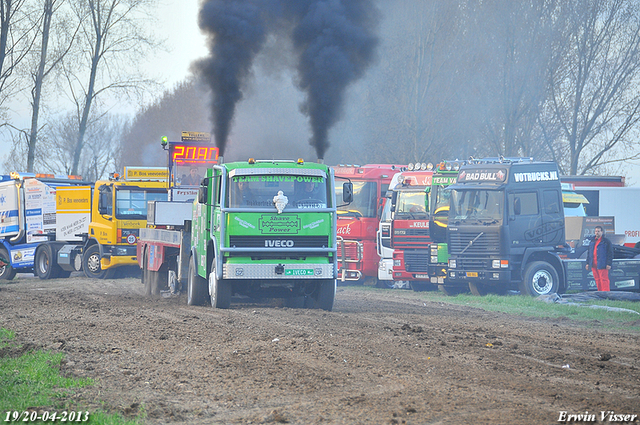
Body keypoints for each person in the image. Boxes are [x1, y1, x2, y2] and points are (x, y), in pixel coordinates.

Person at [585, 225, 613, 291]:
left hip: (602, 264)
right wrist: (587, 263)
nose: (597, 233)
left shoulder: (606, 242)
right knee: (597, 279)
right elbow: (589, 253)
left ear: (602, 232)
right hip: (593, 264)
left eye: (598, 231)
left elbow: (610, 253)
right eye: (596, 231)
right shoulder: (592, 241)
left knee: (604, 279)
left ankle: (606, 294)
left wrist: (609, 264)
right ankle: (600, 293)